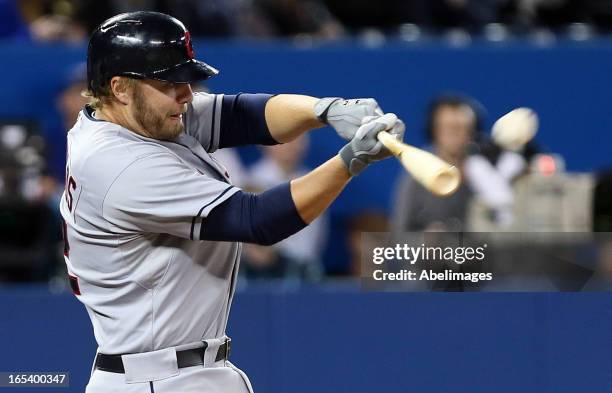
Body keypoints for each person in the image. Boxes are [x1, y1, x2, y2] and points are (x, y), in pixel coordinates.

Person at [59, 11, 404, 393]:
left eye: (185, 80)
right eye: (169, 82)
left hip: (180, 370)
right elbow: (257, 220)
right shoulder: (120, 164)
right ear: (120, 87)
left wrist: (325, 109)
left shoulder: (129, 118)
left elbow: (243, 115)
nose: (186, 94)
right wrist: (349, 162)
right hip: (157, 378)